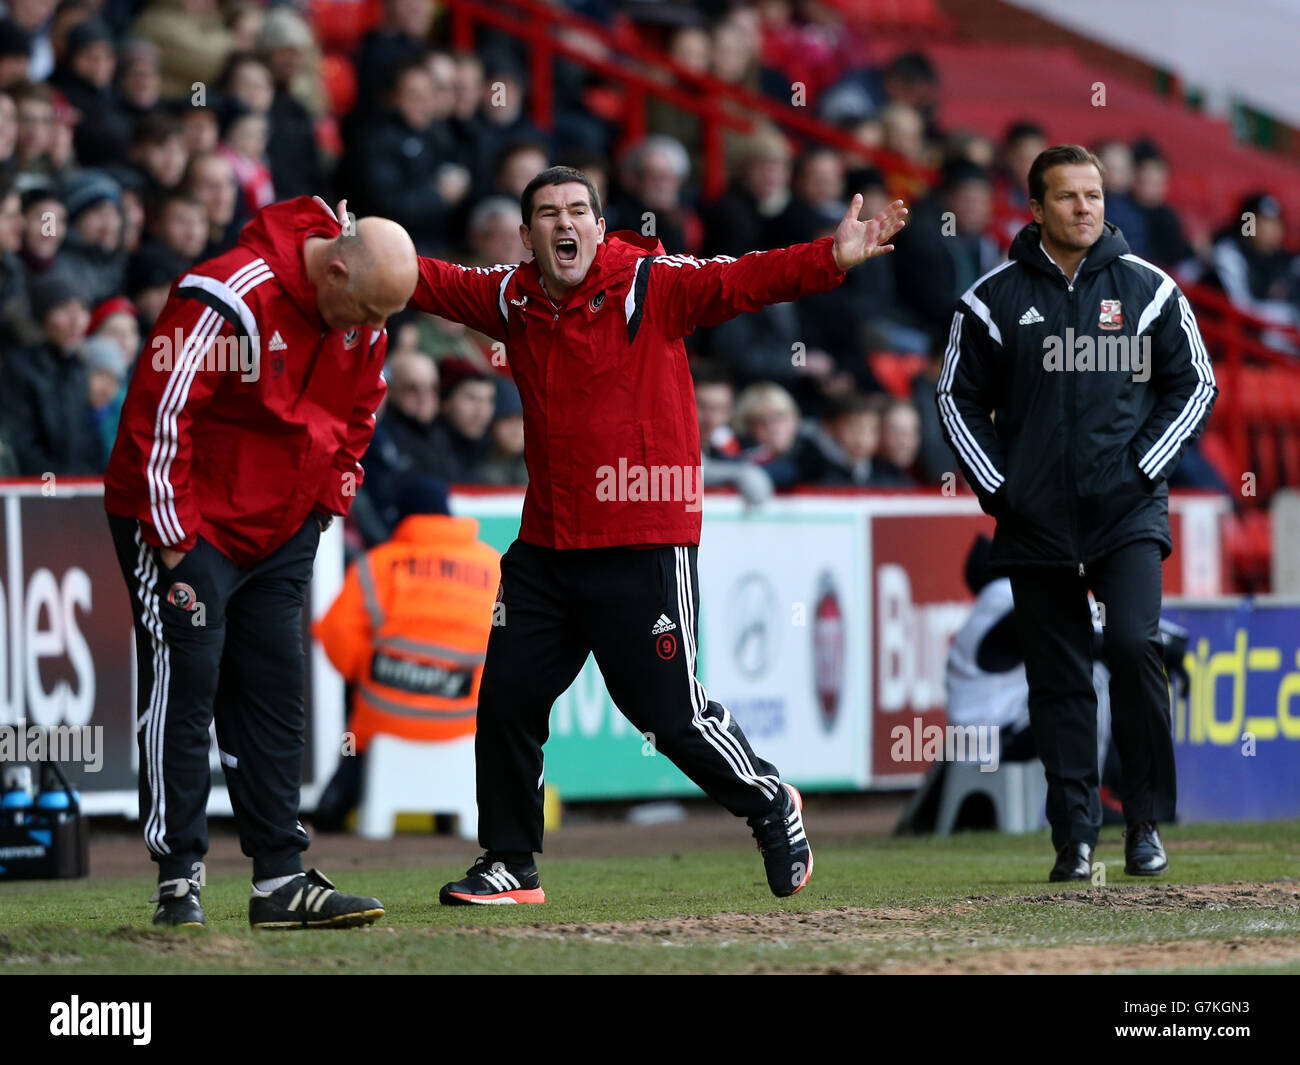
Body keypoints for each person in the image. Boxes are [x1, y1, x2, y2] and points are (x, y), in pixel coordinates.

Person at [389, 164, 906, 904]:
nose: (563, 224)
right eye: (546, 214)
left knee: (669, 714)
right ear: (528, 235)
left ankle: (770, 804)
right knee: (507, 696)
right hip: (547, 543)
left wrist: (831, 255)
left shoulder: (650, 283)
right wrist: (347, 244)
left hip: (642, 534)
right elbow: (423, 279)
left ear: (600, 227)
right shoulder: (511, 295)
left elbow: (744, 279)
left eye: (577, 211)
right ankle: (511, 862)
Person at [102, 194, 418, 928]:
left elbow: (361, 410)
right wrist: (176, 536)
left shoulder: (360, 318)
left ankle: (279, 879)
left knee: (276, 691)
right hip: (189, 519)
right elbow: (158, 413)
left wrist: (324, 506)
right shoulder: (227, 294)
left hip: (281, 528)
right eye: (369, 310)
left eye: (387, 317)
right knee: (187, 686)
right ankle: (177, 876)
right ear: (334, 270)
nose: (376, 331)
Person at [936, 144, 1216, 882]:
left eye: (1093, 195)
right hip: (1035, 520)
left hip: (1126, 512)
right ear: (1034, 208)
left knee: (1131, 646)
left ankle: (1146, 822)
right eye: (1067, 197)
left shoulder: (1151, 291)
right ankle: (1075, 836)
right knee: (1056, 678)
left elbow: (1195, 386)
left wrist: (1140, 469)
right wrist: (1003, 491)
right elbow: (954, 398)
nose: (1086, 207)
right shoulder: (989, 299)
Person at [311, 475, 501, 830]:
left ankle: (331, 814)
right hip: (465, 723)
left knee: (360, 732)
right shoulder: (493, 566)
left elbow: (334, 633)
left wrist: (363, 672)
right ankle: (451, 818)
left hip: (385, 718)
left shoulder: (377, 565)